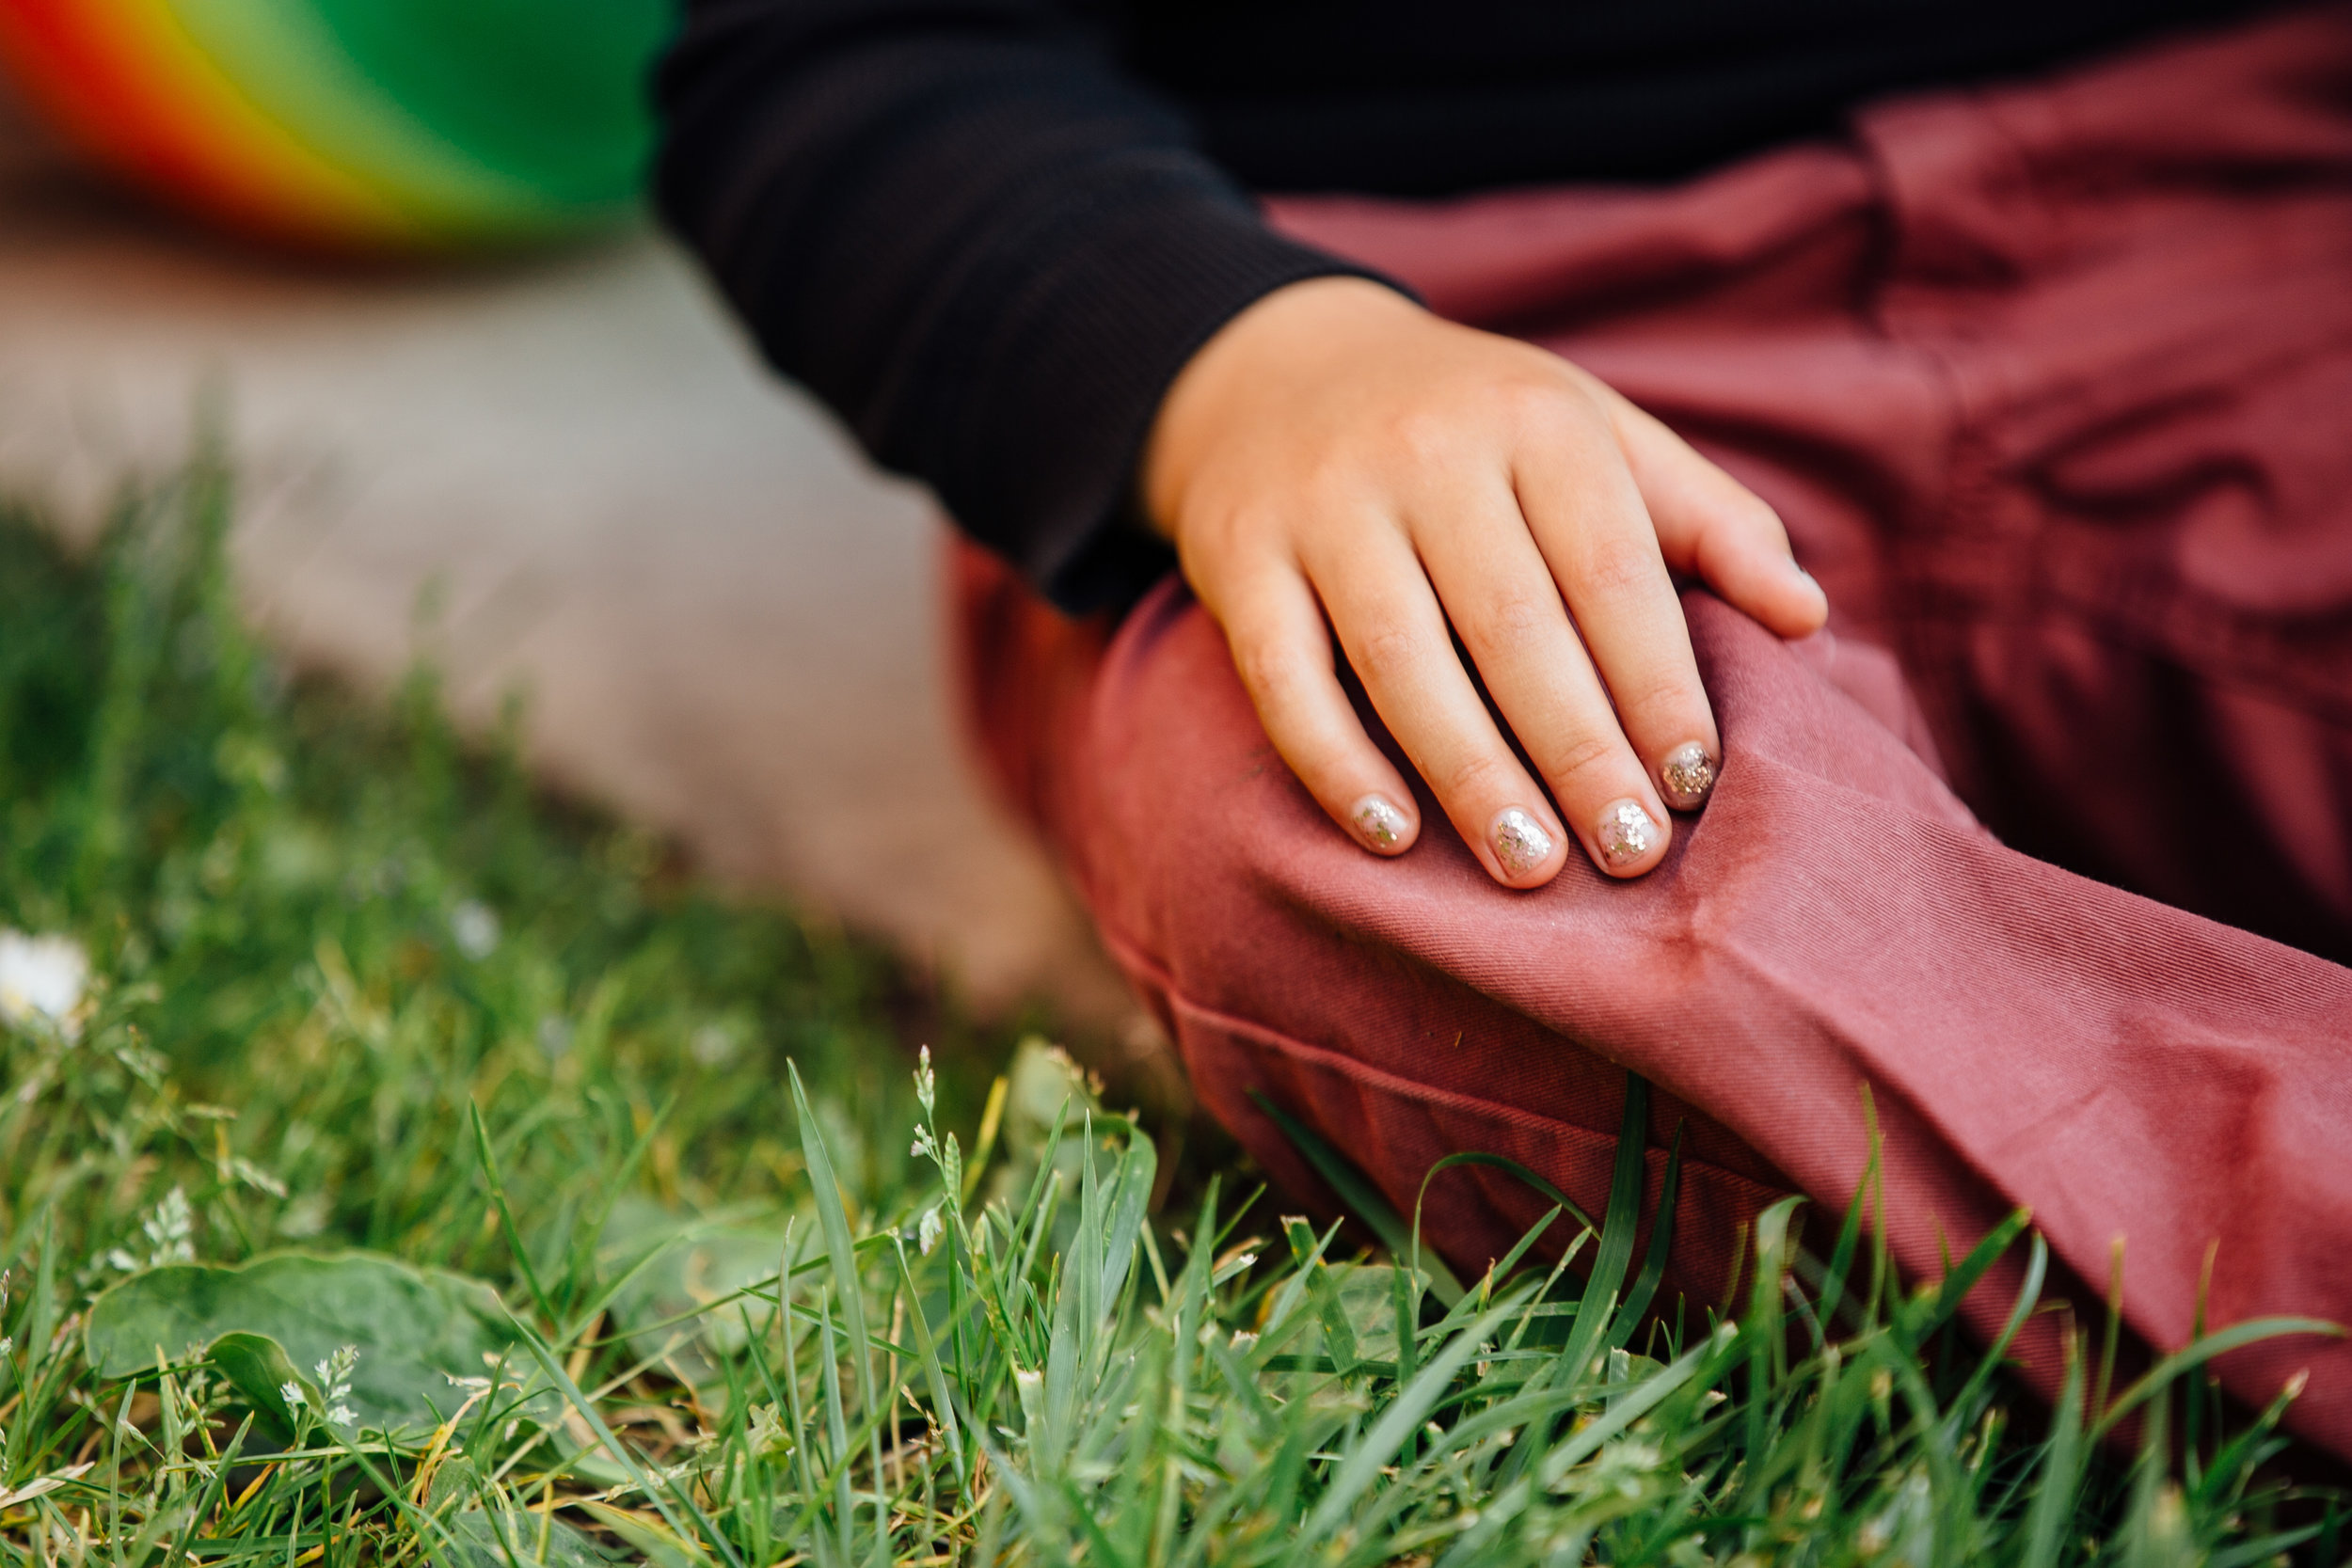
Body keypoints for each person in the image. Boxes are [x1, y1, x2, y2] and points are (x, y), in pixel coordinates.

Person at [654, 0, 2352, 1460]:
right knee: (1392, 819)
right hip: (1411, 329)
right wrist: (1248, 363)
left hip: (2241, 223)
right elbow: (832, 58)